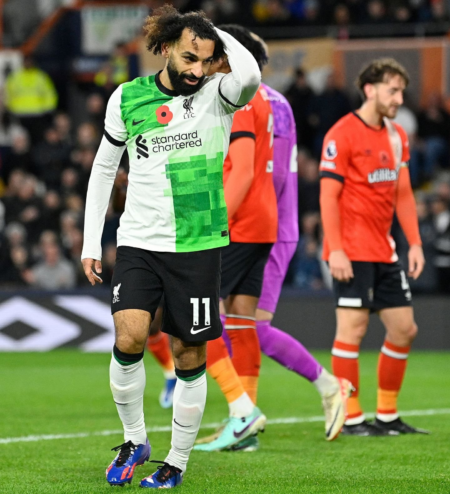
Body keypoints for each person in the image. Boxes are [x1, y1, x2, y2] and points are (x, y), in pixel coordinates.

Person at [80, 6, 261, 489]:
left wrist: (209, 32)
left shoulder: (219, 95)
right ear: (163, 48)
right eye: (188, 57)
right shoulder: (127, 97)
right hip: (139, 241)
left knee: (189, 355)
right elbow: (103, 169)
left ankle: (176, 462)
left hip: (198, 245)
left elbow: (251, 74)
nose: (196, 70)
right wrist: (90, 240)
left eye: (205, 60)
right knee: (128, 337)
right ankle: (134, 438)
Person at [194, 26, 350, 453]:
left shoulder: (254, 100)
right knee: (243, 323)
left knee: (218, 322)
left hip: (261, 224)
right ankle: (241, 423)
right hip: (266, 221)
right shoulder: (273, 101)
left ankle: (322, 385)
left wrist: (223, 217)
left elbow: (269, 171)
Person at [319, 58, 428, 436]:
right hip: (350, 248)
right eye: (392, 90)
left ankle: (386, 415)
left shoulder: (398, 135)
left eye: (401, 91)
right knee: (353, 328)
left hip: (385, 250)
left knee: (404, 328)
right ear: (369, 89)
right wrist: (334, 248)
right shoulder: (341, 133)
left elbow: (404, 194)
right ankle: (349, 417)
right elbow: (328, 197)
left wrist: (414, 242)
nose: (399, 98)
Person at [4, 56, 58, 143]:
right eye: (26, 61)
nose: (28, 63)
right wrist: (10, 108)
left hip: (37, 114)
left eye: (29, 61)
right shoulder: (15, 77)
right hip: (19, 115)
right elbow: (8, 94)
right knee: (20, 140)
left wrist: (47, 109)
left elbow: (50, 94)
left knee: (37, 140)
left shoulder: (41, 77)